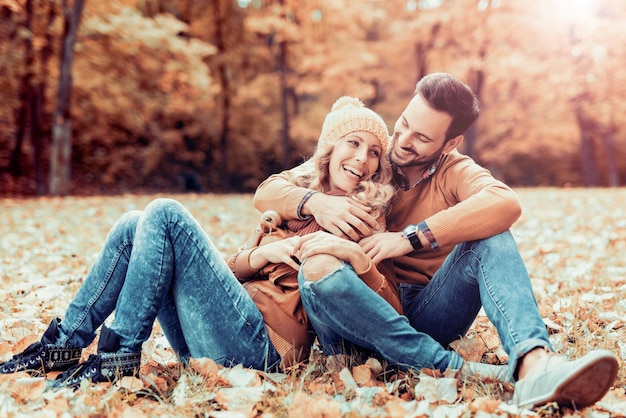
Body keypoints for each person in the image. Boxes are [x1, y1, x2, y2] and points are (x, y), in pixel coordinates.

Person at [253, 72, 619, 410]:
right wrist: (315, 202)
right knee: (321, 271)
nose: (403, 140)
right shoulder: (369, 158)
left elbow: (505, 202)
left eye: (422, 138)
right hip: (357, 300)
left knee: (493, 238)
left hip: (431, 310)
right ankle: (452, 367)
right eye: (405, 123)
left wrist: (409, 239)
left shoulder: (454, 171)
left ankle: (535, 365)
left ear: (450, 143)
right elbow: (271, 189)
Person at [0, 96, 396, 387]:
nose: (363, 159)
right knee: (133, 223)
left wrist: (358, 259)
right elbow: (228, 271)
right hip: (223, 329)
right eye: (353, 143)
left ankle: (119, 355)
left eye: (374, 152)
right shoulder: (297, 198)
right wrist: (262, 254)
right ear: (330, 148)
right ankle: (63, 344)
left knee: (166, 212)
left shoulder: (364, 217)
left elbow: (388, 310)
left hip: (264, 351)